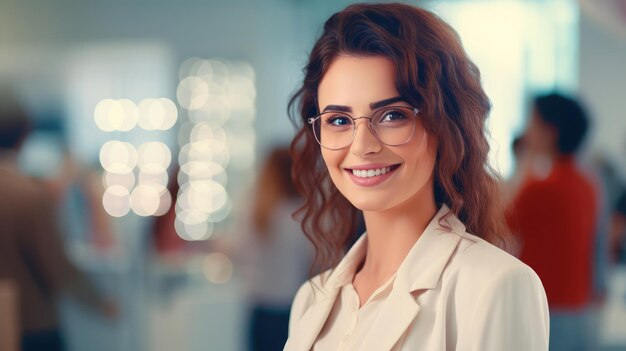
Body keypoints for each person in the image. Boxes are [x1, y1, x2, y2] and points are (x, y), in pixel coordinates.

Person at [283, 3, 549, 351]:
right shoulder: (311, 299)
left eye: (392, 115)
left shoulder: (495, 285)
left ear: (445, 126)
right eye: (338, 120)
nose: (362, 146)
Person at [0, 89, 117, 351]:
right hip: (32, 327)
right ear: (25, 133)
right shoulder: (28, 195)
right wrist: (100, 303)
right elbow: (57, 267)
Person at [507, 93, 599, 350]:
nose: (526, 131)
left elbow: (497, 227)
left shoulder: (540, 187)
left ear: (550, 132)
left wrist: (524, 162)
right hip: (579, 309)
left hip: (545, 308)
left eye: (532, 122)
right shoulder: (588, 186)